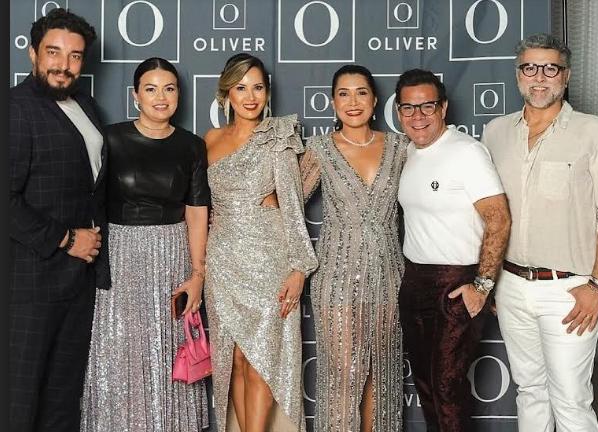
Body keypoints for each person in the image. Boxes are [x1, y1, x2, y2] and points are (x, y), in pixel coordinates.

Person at [481, 33, 598, 432]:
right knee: (530, 392)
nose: (539, 77)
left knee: (571, 401)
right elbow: (489, 215)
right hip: (510, 285)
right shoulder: (495, 132)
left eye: (550, 68)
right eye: (530, 67)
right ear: (518, 74)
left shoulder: (592, 132)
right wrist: (490, 280)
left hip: (570, 290)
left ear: (566, 75)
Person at [80, 57, 210, 432]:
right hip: (119, 255)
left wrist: (197, 274)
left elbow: (196, 212)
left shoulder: (191, 146)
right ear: (135, 95)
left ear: (179, 95)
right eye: (150, 89)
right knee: (119, 350)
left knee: (167, 349)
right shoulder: (109, 139)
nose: (160, 97)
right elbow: (88, 200)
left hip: (172, 254)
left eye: (169, 89)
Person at [204, 53, 317, 432]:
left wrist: (299, 268)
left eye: (258, 88)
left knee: (261, 361)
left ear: (267, 93)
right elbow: (201, 203)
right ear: (226, 94)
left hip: (269, 259)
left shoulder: (278, 136)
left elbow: (293, 204)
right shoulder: (210, 140)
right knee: (234, 360)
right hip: (222, 261)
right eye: (241, 88)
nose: (250, 97)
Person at [9, 9, 109, 432]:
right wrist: (67, 239)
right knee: (19, 403)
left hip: (77, 281)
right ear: (33, 53)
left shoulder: (84, 105)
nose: (63, 65)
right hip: (29, 284)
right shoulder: (15, 109)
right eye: (53, 52)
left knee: (63, 404)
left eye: (74, 56)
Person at [396, 68, 511, 432]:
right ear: (399, 112)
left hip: (456, 283)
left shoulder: (467, 152)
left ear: (443, 108)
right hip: (415, 280)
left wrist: (482, 285)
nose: (418, 116)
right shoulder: (408, 153)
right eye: (408, 108)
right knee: (427, 386)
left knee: (448, 388)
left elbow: (498, 219)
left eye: (427, 106)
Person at [299, 65, 407, 432]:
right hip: (336, 277)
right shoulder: (319, 149)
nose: (353, 102)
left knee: (382, 373)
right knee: (342, 374)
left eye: (361, 92)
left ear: (375, 100)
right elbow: (287, 206)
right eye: (343, 94)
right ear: (333, 102)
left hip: (390, 276)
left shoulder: (401, 147)